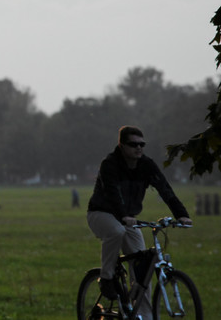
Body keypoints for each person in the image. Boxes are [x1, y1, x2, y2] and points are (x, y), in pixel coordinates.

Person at [87, 126, 191, 306]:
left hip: (128, 219)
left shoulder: (146, 165)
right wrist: (124, 215)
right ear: (121, 145)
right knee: (117, 231)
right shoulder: (110, 164)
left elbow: (165, 189)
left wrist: (181, 215)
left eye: (142, 144)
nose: (138, 148)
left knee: (143, 270)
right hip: (101, 213)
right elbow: (113, 193)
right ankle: (106, 278)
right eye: (133, 144)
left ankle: (144, 315)